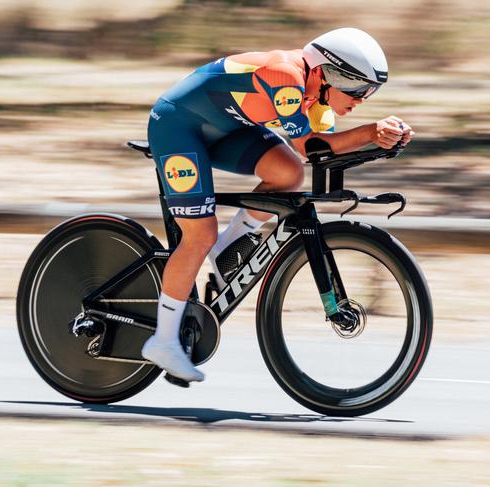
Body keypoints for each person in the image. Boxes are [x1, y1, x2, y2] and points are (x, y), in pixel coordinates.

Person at [141, 27, 414, 383]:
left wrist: (384, 140)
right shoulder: (287, 77)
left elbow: (325, 149)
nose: (362, 99)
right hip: (179, 125)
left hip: (225, 128)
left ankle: (229, 246)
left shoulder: (316, 98)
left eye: (370, 92)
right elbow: (311, 146)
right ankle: (162, 341)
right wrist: (368, 131)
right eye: (358, 88)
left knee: (287, 174)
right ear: (325, 74)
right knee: (199, 234)